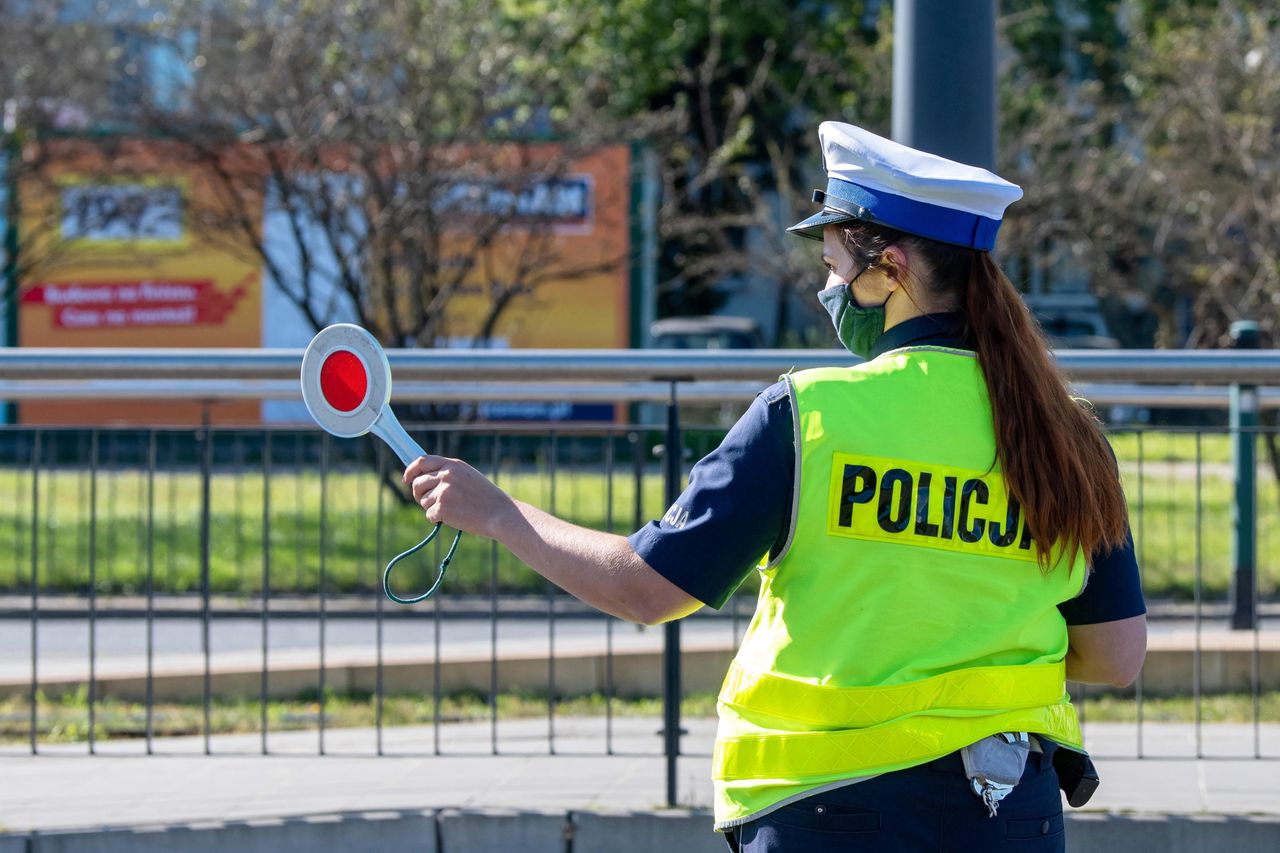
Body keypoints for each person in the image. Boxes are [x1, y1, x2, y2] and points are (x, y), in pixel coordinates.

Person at [402, 121, 1148, 852]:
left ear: (888, 270)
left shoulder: (808, 416)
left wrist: (499, 512)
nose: (827, 287)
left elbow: (646, 589)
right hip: (1011, 810)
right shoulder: (1068, 434)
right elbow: (1115, 656)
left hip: (829, 805)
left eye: (833, 265)